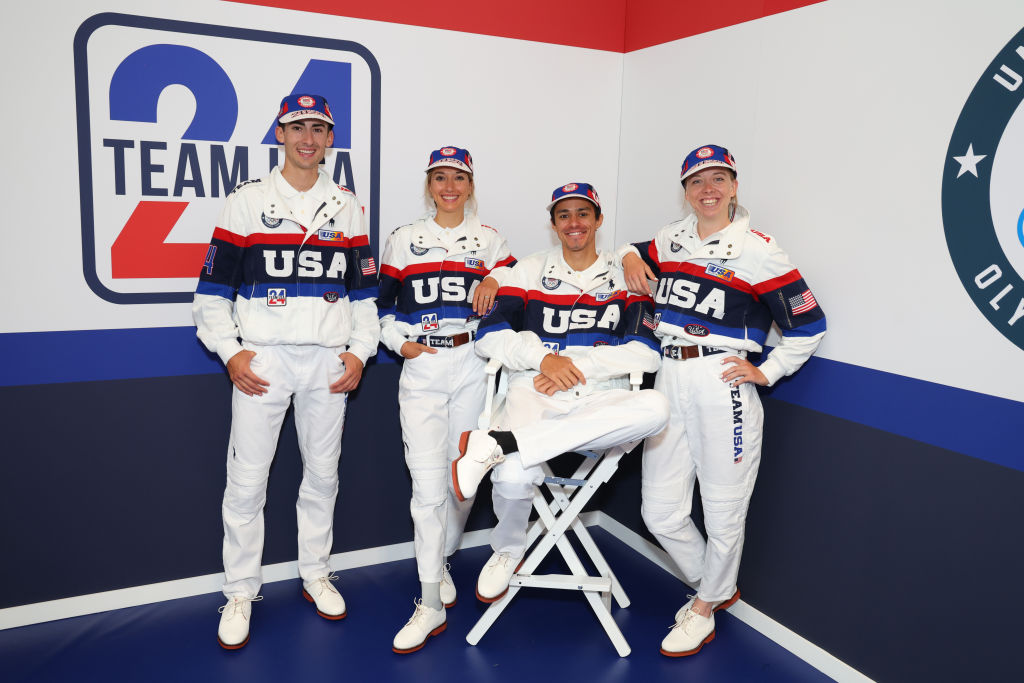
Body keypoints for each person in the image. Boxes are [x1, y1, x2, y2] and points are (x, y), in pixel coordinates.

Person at [619, 144, 826, 657]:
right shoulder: (672, 237)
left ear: (734, 186)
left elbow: (809, 324)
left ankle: (705, 607)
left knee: (723, 506)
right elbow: (633, 248)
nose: (707, 190)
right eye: (696, 182)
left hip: (722, 380)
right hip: (669, 373)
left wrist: (767, 370)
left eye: (718, 179)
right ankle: (714, 585)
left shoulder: (759, 249)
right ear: (685, 191)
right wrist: (627, 255)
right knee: (660, 510)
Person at [193, 94, 380, 650]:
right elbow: (211, 293)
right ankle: (240, 590)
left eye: (319, 129)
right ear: (280, 133)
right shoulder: (247, 201)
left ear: (329, 140)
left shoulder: (346, 205)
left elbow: (365, 294)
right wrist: (230, 352)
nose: (308, 137)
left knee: (322, 476)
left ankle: (315, 572)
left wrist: (360, 352)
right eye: (298, 126)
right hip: (265, 359)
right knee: (247, 482)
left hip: (326, 359)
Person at [453, 182, 669, 603]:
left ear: (598, 220)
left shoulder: (623, 272)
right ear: (553, 225)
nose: (575, 223)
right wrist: (542, 360)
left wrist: (573, 367)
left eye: (583, 214)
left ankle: (500, 443)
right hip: (534, 388)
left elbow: (646, 355)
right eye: (564, 215)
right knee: (514, 475)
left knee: (656, 407)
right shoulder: (528, 271)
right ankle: (508, 550)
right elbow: (488, 337)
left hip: (598, 396)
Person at [377, 147, 516, 654]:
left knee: (462, 481)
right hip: (424, 365)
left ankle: (440, 559)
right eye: (440, 178)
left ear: (471, 184)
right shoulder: (403, 239)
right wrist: (401, 344)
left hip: (472, 363)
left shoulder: (491, 240)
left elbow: (518, 293)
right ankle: (430, 599)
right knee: (426, 484)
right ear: (429, 184)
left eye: (459, 178)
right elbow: (381, 308)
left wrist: (499, 275)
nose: (450, 186)